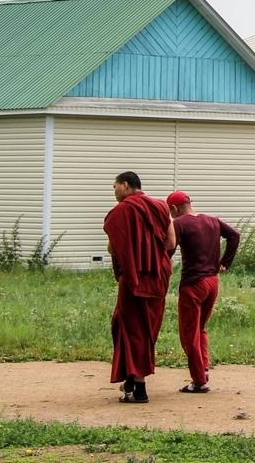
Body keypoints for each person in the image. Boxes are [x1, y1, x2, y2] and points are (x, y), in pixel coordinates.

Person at [103, 170, 175, 404]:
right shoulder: (161, 207)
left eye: (114, 187)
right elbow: (171, 242)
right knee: (143, 326)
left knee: (132, 328)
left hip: (135, 277)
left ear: (125, 185)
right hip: (158, 274)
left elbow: (114, 249)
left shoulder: (121, 211)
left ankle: (140, 388)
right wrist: (154, 257)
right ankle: (132, 379)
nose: (114, 192)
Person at [166, 190, 240, 393]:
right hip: (212, 282)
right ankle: (203, 369)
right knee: (200, 328)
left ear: (174, 208)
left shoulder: (178, 224)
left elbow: (169, 250)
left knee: (188, 332)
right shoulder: (212, 221)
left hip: (193, 284)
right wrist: (225, 262)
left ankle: (198, 380)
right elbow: (234, 235)